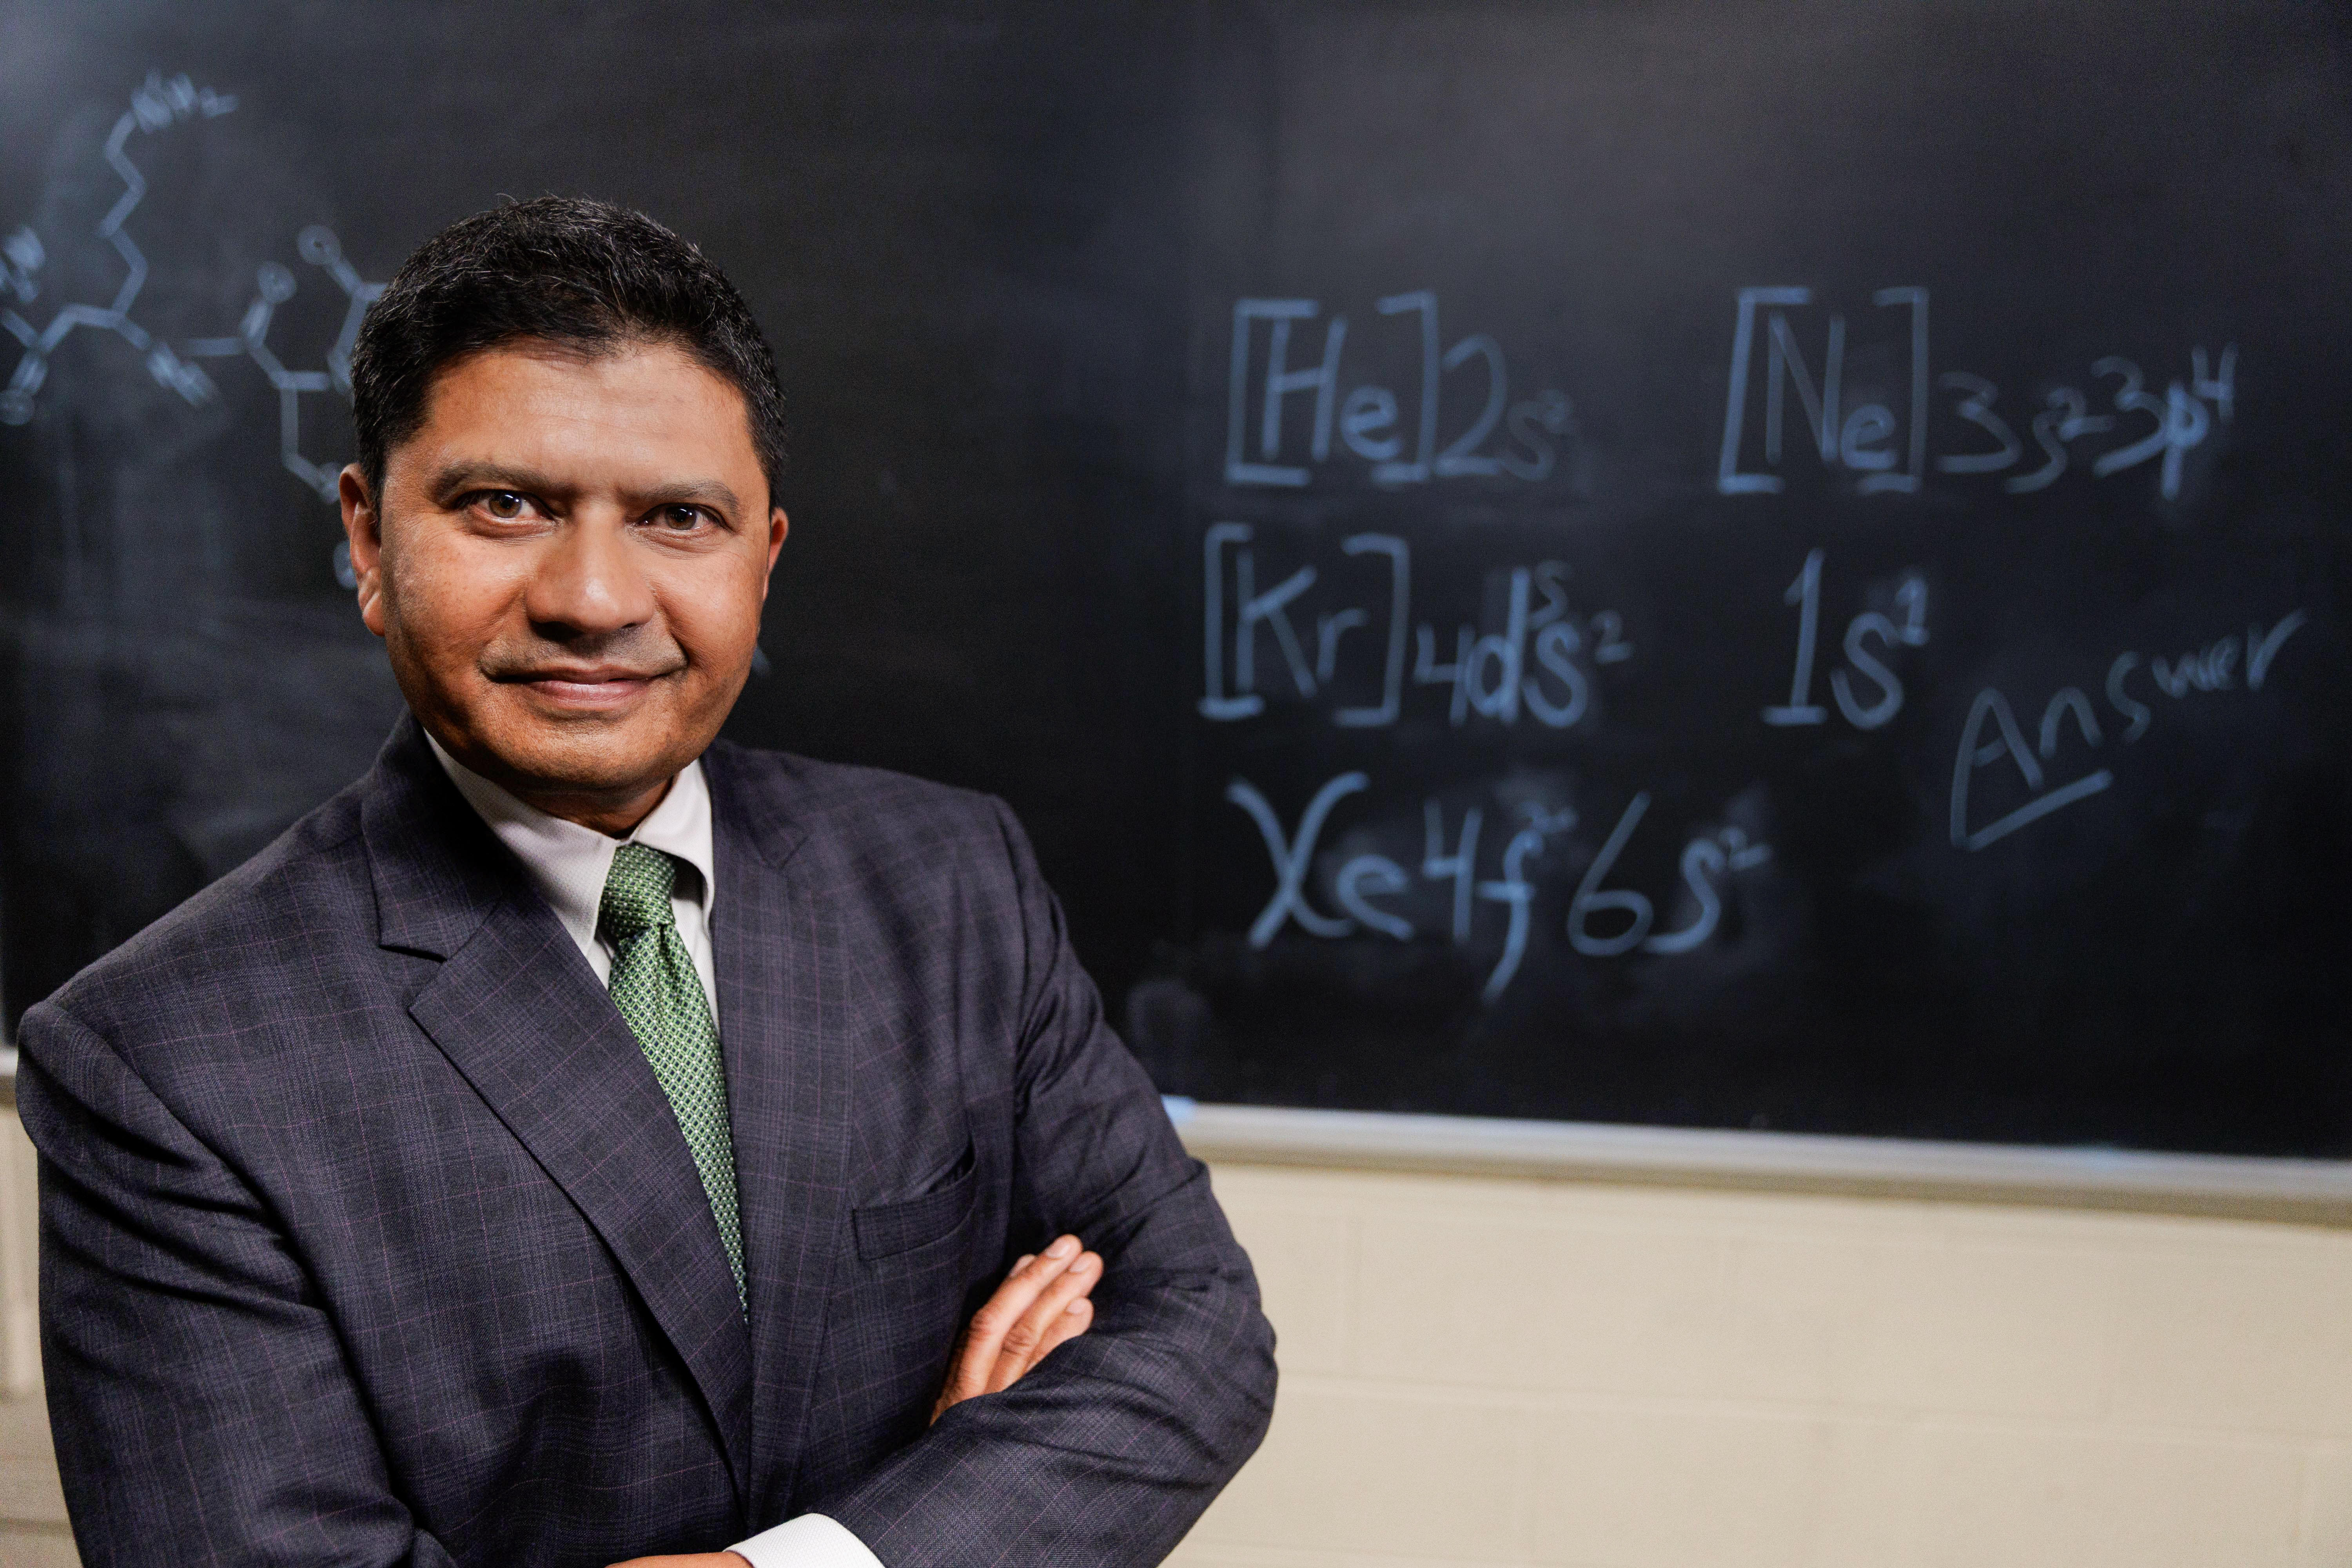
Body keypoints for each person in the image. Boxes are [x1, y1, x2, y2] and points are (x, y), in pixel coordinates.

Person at [15, 196, 1275, 1568]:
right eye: (505, 506)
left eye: (678, 517)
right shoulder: (162, 1064)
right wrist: (975, 1491)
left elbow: (1194, 1324)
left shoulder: (951, 879)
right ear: (371, 541)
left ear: (764, 559)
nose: (596, 599)